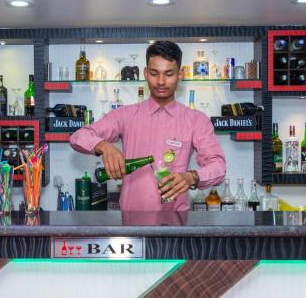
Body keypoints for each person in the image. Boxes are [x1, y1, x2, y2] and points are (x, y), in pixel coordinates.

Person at [70, 41, 226, 211]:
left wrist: (191, 177)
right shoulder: (125, 115)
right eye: (154, 73)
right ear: (145, 73)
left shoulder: (196, 120)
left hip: (176, 225)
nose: (160, 81)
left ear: (180, 74)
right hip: (131, 225)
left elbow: (218, 167)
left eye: (169, 74)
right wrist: (104, 146)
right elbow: (78, 136)